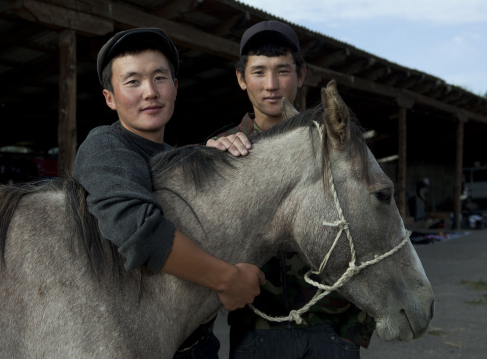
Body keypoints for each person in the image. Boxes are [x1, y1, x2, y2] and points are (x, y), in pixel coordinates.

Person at [72, 28, 265, 358]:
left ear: (174, 87)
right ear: (110, 98)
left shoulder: (176, 155)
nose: (150, 92)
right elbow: (138, 232)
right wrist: (228, 280)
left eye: (160, 78)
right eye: (133, 81)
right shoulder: (105, 145)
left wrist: (209, 162)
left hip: (197, 343)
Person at [207, 20, 375, 358]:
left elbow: (371, 227)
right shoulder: (223, 153)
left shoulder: (336, 148)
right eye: (258, 72)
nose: (271, 85)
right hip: (255, 333)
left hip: (330, 331)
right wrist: (210, 168)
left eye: (282, 71)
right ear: (241, 78)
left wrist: (353, 333)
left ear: (301, 75)